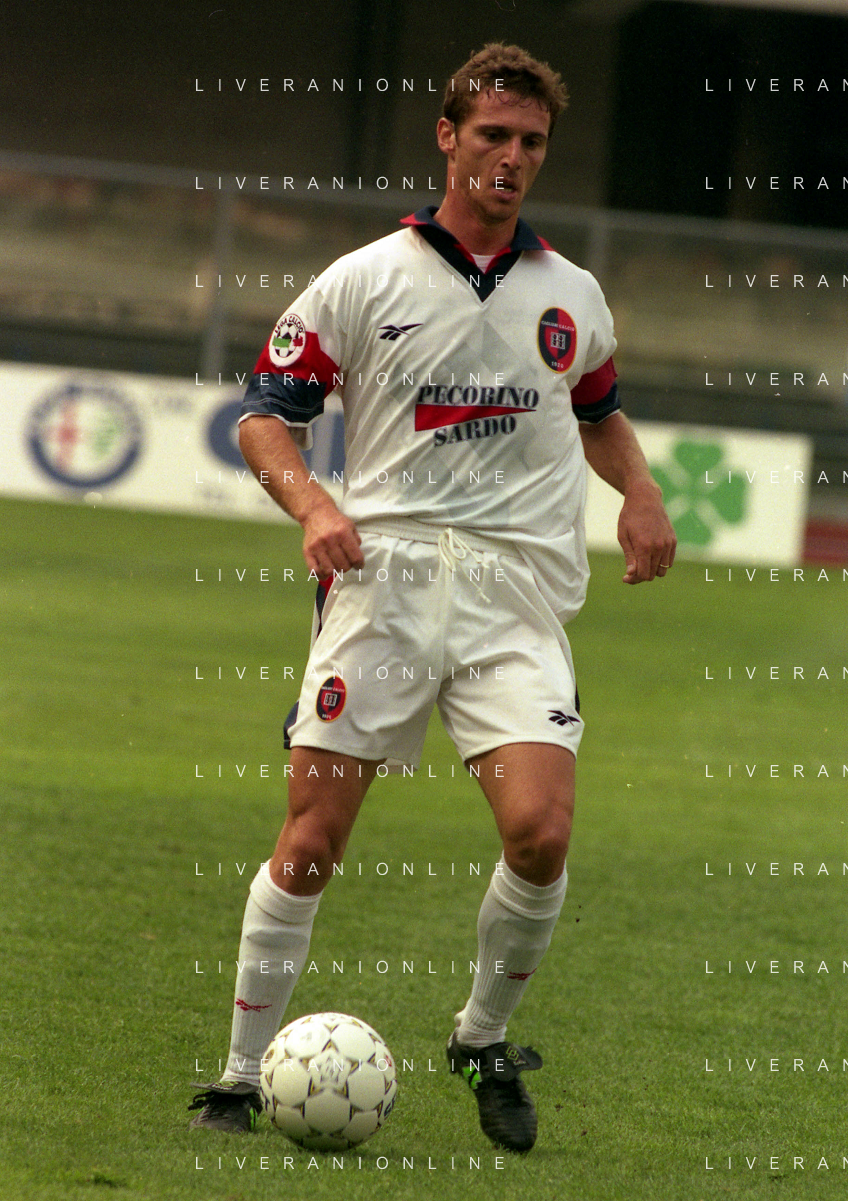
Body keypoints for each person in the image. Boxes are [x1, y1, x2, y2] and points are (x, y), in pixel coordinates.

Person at [188, 42, 676, 1153]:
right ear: (448, 138)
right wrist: (313, 505)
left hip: (514, 596)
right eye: (492, 134)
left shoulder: (572, 295)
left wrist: (640, 491)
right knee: (312, 839)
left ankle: (480, 1037)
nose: (512, 157)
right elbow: (264, 415)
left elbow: (598, 410)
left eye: (531, 141)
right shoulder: (364, 278)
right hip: (386, 587)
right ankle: (238, 1074)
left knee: (541, 834)